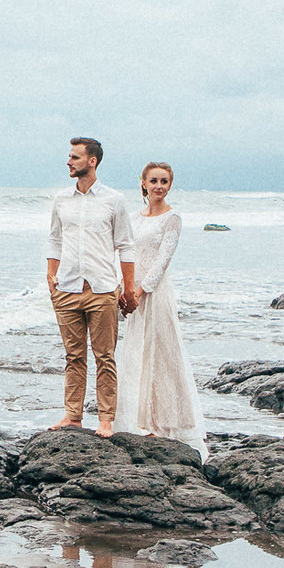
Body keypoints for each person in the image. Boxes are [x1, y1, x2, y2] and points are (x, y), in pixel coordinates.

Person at [45, 136, 136, 436]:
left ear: (92, 161)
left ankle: (106, 419)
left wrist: (129, 288)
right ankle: (73, 415)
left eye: (75, 157)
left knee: (105, 356)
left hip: (103, 289)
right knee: (73, 356)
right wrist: (50, 276)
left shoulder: (114, 200)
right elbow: (55, 239)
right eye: (69, 157)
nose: (69, 162)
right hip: (67, 287)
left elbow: (125, 246)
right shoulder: (61, 199)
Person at [116, 161, 203, 450]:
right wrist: (124, 287)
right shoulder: (133, 217)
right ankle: (139, 421)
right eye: (153, 180)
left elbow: (163, 260)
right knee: (136, 353)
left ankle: (163, 423)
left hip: (155, 293)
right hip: (131, 290)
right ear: (143, 183)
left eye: (164, 181)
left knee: (162, 353)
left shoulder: (172, 218)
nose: (158, 186)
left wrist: (140, 291)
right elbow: (126, 253)